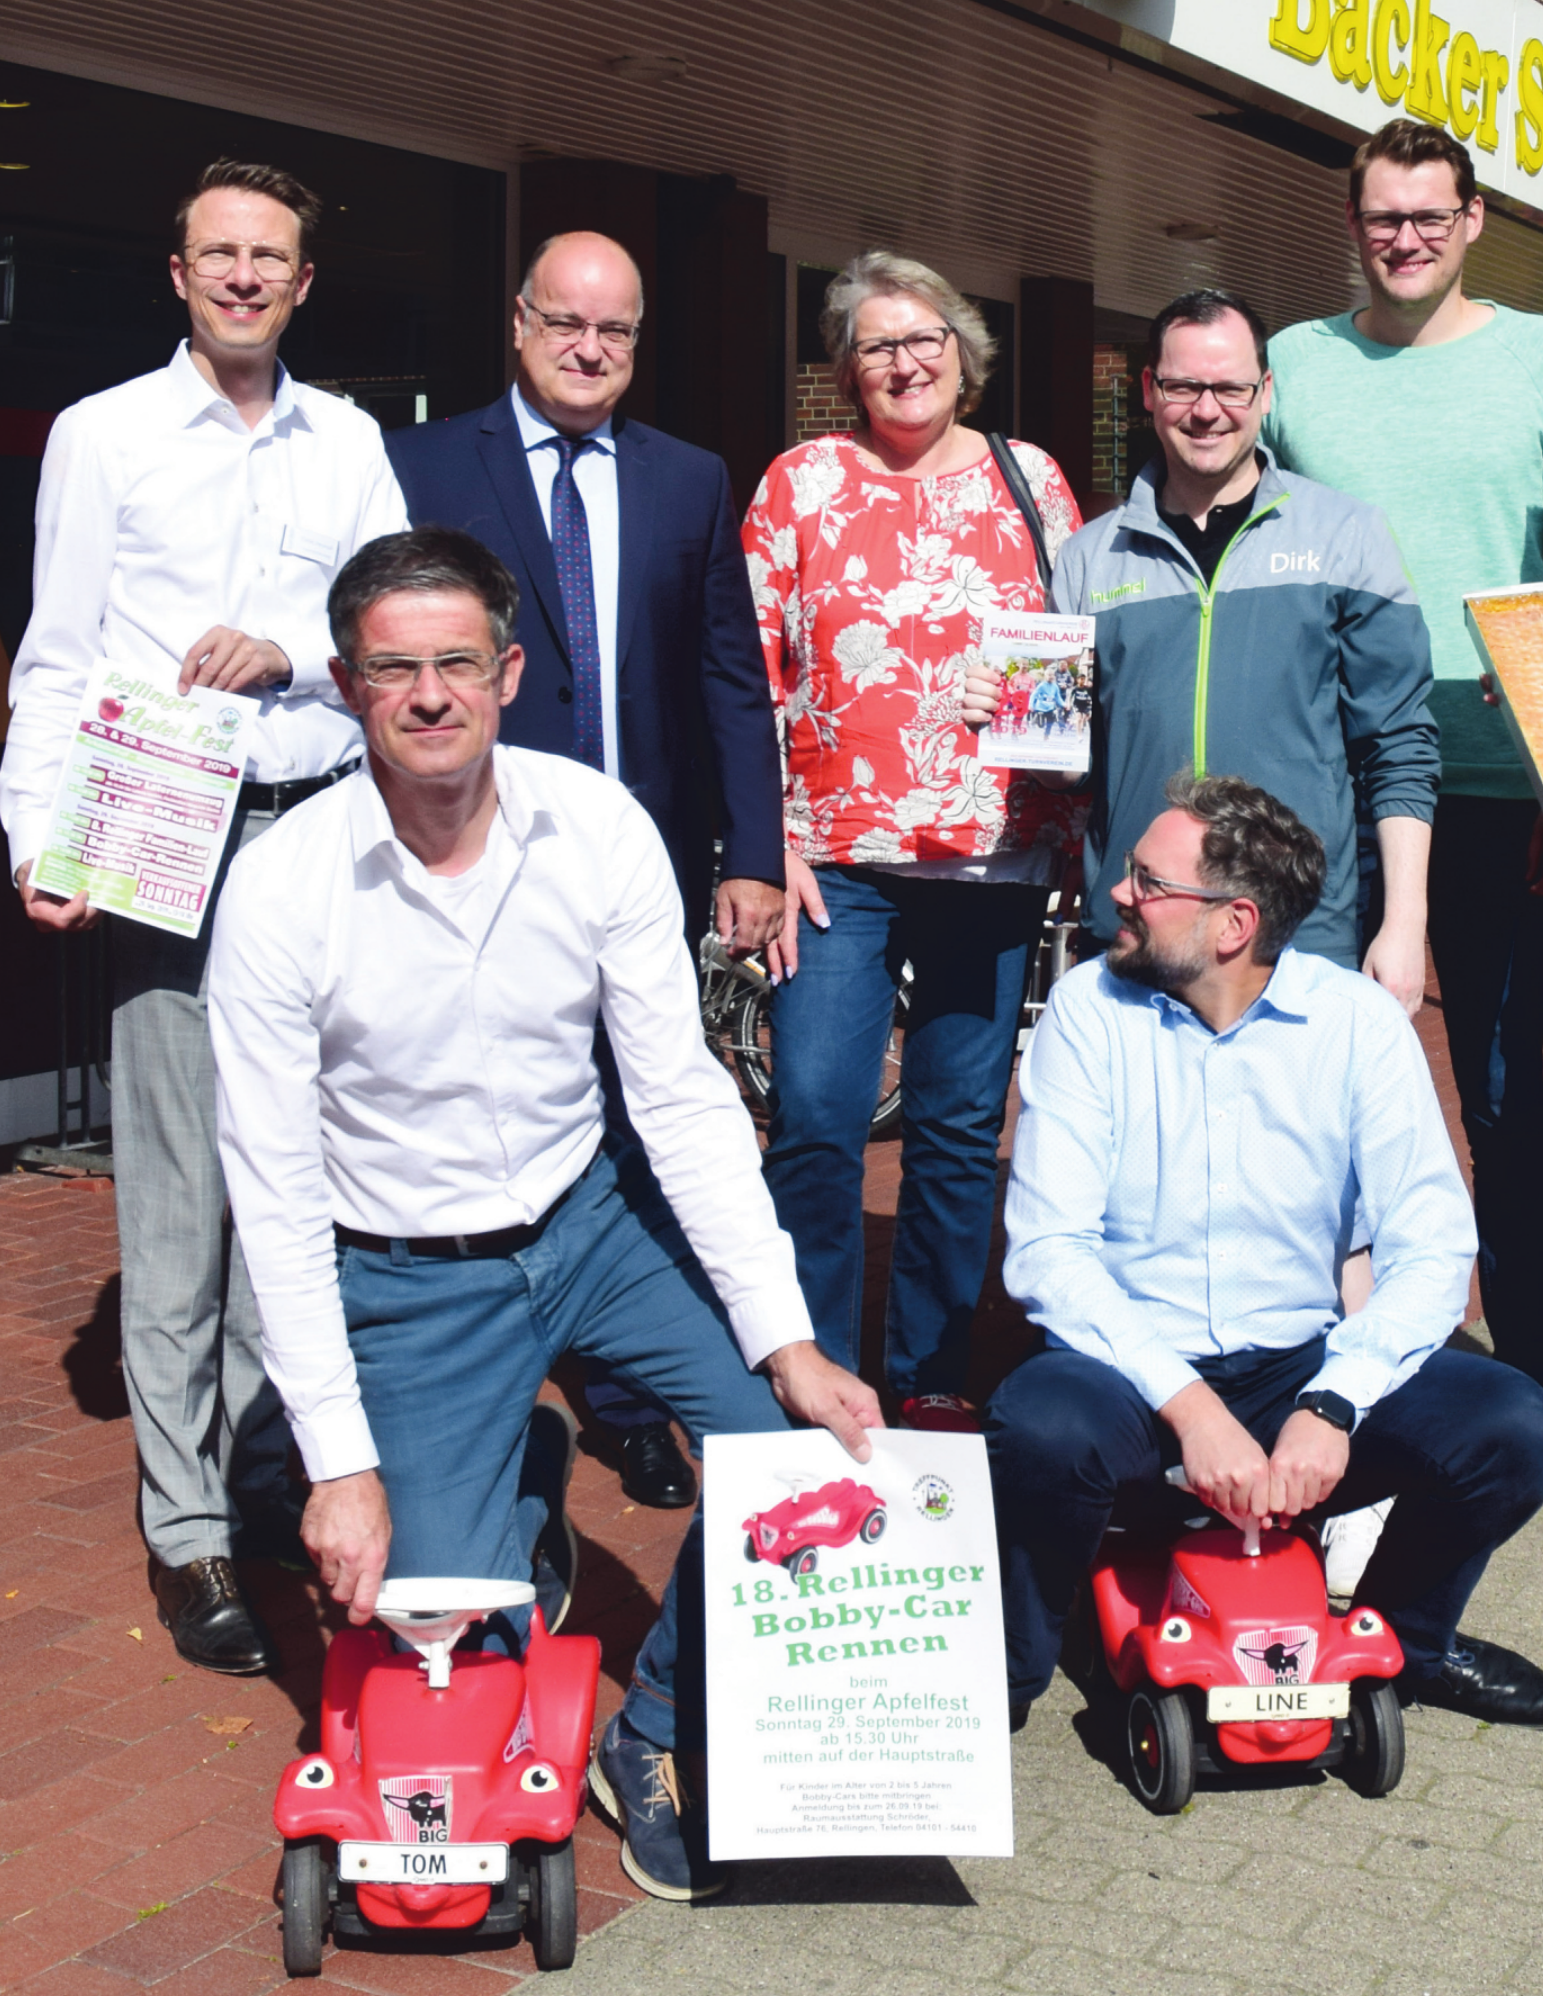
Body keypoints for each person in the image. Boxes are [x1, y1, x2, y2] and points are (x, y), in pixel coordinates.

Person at [206, 526, 880, 1898]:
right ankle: (519, 1478)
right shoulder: (280, 889)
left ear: (509, 673)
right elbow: (272, 1195)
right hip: (410, 1278)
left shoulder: (597, 825)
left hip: (592, 1226)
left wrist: (786, 1340)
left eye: (459, 663)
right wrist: (337, 1464)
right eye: (395, 670)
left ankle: (655, 1729)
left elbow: (679, 1097)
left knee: (797, 1468)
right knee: (433, 1628)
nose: (431, 696)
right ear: (347, 684)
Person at [0, 159, 407, 1677]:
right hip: (163, 830)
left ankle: (249, 1477)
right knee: (179, 1196)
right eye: (219, 253)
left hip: (317, 834)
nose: (243, 276)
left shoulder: (350, 442)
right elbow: (56, 655)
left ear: (303, 283)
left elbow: (389, 625)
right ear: (178, 273)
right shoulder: (102, 434)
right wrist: (38, 838)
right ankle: (188, 1535)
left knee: (288, 1173)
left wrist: (288, 650)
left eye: (269, 257)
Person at [986, 775, 1543, 1730]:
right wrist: (1192, 1411)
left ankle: (1399, 1648)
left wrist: (1333, 1402)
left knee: (1517, 1425)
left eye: (1148, 882)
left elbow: (1432, 1244)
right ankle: (1002, 1684)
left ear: (1234, 924)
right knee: (1038, 1426)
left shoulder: (1356, 1023)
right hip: (1131, 1374)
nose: (1118, 895)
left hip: (1299, 1365)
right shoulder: (1087, 1009)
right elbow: (1050, 1253)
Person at [1260, 120, 1543, 1487]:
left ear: (1473, 219)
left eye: (1429, 214)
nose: (1404, 237)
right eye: (1382, 216)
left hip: (1487, 789)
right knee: (1307, 1108)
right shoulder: (1295, 363)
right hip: (1321, 794)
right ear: (1350, 224)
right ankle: (1309, 1384)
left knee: (1501, 1099)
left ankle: (1533, 1383)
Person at [387, 230, 782, 1511]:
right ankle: (484, 1384)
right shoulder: (423, 463)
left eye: (613, 330)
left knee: (639, 1114)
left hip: (636, 859)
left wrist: (753, 852)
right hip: (470, 848)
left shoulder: (689, 479)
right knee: (479, 1103)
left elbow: (728, 674)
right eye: (565, 321)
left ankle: (624, 1397)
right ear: (518, 322)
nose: (588, 347)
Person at [743, 251, 1085, 1431]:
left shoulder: (1028, 478)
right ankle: (814, 1374)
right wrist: (764, 840)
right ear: (846, 369)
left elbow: (1066, 658)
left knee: (955, 1129)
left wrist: (1065, 827)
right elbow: (751, 663)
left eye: (922, 337)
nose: (903, 361)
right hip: (832, 860)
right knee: (814, 1117)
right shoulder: (799, 482)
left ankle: (931, 1373)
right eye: (876, 343)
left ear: (961, 353)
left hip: (993, 856)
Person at [967, 287, 1437, 1003]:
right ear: (1148, 391)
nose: (1207, 410)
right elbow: (1072, 771)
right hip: (1136, 930)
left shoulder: (1347, 537)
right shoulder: (1090, 558)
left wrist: (1404, 923)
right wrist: (1018, 722)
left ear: (1265, 392)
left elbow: (1398, 745)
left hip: (1297, 935)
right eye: (1184, 386)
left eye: (1230, 388)